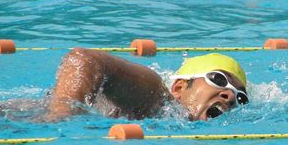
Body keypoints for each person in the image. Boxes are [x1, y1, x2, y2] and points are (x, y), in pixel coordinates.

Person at [43, 48, 248, 122]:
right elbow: (84, 59)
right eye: (219, 80)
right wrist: (62, 115)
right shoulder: (157, 99)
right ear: (179, 88)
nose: (230, 97)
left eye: (241, 98)